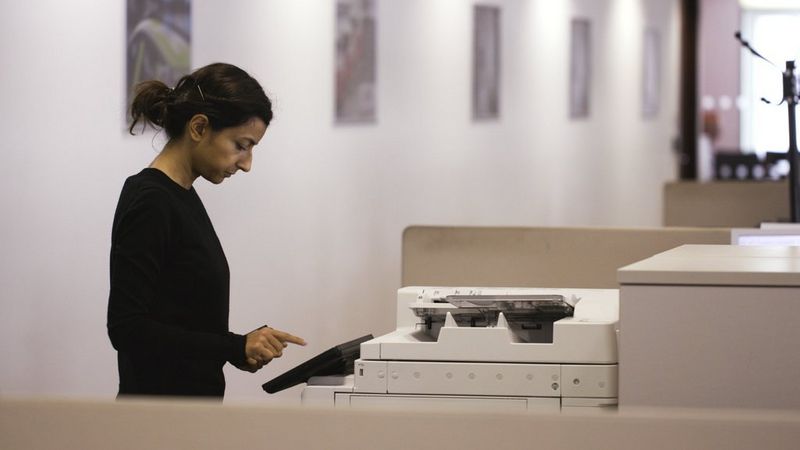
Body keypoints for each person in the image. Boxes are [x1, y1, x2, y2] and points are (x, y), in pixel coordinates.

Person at [107, 62, 305, 398]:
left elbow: (183, 321)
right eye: (241, 145)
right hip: (158, 420)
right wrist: (232, 346)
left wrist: (239, 349)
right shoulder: (151, 202)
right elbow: (127, 328)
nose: (246, 163)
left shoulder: (181, 193)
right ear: (199, 127)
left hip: (190, 415)